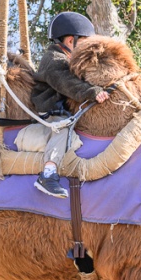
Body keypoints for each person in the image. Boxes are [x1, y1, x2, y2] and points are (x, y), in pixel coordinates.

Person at [29, 11, 109, 198]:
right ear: (70, 41)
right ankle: (48, 174)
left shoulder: (66, 58)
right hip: (50, 110)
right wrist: (93, 92)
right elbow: (67, 83)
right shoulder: (54, 60)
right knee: (63, 128)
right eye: (83, 42)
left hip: (62, 107)